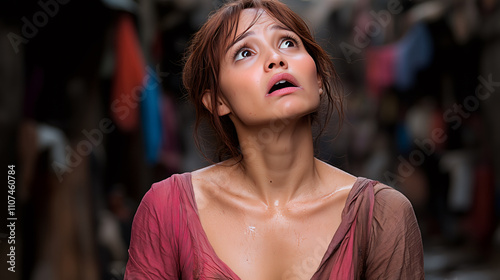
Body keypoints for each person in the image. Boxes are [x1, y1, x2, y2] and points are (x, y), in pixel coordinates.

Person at [124, 0, 424, 279]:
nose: (276, 58)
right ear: (217, 101)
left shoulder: (382, 215)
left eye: (288, 43)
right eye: (245, 52)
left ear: (318, 80)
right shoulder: (168, 208)